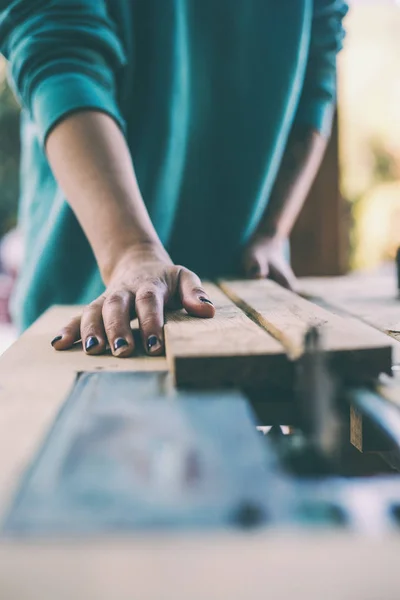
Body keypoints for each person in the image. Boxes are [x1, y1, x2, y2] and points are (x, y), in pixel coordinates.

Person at [0, 0, 348, 357]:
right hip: (85, 304)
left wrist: (271, 235)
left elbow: (317, 63)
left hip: (244, 304)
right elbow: (59, 52)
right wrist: (130, 252)